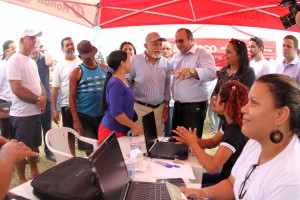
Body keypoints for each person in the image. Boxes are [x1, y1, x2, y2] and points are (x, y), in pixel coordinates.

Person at [181, 74, 300, 199]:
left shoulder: (290, 178)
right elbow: (232, 184)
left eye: (254, 102)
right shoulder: (254, 143)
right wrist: (202, 193)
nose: (243, 108)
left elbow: (213, 167)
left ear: (281, 115)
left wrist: (193, 143)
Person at [173, 80, 249, 187]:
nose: (213, 99)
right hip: (226, 177)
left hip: (231, 186)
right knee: (183, 181)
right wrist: (189, 139)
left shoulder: (235, 130)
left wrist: (193, 143)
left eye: (217, 97)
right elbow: (212, 142)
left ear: (224, 105)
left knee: (183, 188)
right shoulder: (231, 122)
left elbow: (212, 167)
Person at [7, 29, 47, 184]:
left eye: (35, 38)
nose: (34, 41)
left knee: (34, 146)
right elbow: (16, 88)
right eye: (31, 38)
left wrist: (43, 96)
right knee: (20, 149)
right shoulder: (15, 60)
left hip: (34, 112)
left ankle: (35, 172)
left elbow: (39, 83)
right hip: (22, 114)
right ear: (22, 40)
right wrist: (38, 99)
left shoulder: (31, 61)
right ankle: (22, 179)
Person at [170, 28, 216, 139]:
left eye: (181, 41)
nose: (178, 44)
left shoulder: (202, 53)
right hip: (178, 105)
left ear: (191, 39)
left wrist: (191, 71)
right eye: (176, 42)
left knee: (191, 142)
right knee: (177, 139)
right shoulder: (176, 56)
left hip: (194, 106)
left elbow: (211, 73)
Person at [126, 32, 171, 136]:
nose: (158, 47)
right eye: (155, 44)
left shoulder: (166, 63)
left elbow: (167, 88)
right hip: (140, 109)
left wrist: (166, 107)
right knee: (139, 142)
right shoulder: (135, 61)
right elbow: (127, 82)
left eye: (160, 44)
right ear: (146, 45)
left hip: (159, 109)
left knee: (157, 140)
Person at [69, 40, 106, 155]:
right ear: (80, 57)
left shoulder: (104, 68)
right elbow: (71, 97)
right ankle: (92, 169)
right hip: (85, 116)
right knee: (89, 148)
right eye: (86, 57)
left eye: (91, 55)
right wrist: (76, 120)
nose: (89, 58)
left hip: (103, 115)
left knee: (104, 145)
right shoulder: (76, 72)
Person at [98, 50, 143, 143]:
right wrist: (134, 126)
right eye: (129, 61)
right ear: (122, 64)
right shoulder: (116, 83)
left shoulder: (121, 80)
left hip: (120, 130)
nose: (131, 64)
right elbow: (116, 112)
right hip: (112, 131)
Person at [212, 38, 256, 129]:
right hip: (223, 116)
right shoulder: (224, 70)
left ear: (239, 55)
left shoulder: (248, 72)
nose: (225, 54)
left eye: (229, 52)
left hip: (237, 118)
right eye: (225, 51)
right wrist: (214, 97)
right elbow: (216, 89)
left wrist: (223, 103)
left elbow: (245, 97)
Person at [51, 37, 81, 156]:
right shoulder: (59, 66)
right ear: (62, 49)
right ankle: (72, 157)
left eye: (71, 44)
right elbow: (55, 89)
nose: (70, 47)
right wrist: (55, 110)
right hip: (67, 105)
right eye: (67, 45)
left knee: (84, 133)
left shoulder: (81, 61)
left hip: (83, 104)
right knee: (70, 134)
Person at [30, 40, 56, 162]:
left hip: (47, 100)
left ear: (39, 47)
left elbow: (51, 61)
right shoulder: (27, 61)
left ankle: (48, 151)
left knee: (47, 127)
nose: (34, 49)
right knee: (34, 128)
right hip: (31, 101)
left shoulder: (44, 59)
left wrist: (44, 50)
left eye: (36, 46)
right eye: (32, 46)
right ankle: (35, 153)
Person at [0, 40, 16, 139]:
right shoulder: (2, 66)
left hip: (15, 103)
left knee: (14, 132)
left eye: (16, 48)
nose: (15, 51)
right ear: (6, 51)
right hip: (5, 103)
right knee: (5, 132)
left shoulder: (14, 64)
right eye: (12, 48)